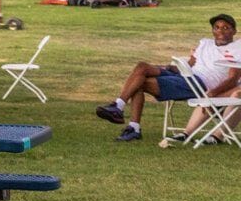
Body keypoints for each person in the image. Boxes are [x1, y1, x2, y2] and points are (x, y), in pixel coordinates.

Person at [97, 12, 240, 142]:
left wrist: (213, 93)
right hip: (184, 75)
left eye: (226, 28)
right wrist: (169, 68)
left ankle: (133, 127)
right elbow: (191, 64)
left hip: (198, 84)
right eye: (217, 27)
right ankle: (119, 106)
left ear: (234, 31)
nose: (220, 31)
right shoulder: (205, 43)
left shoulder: (237, 48)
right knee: (142, 67)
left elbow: (233, 79)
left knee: (139, 83)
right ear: (213, 30)